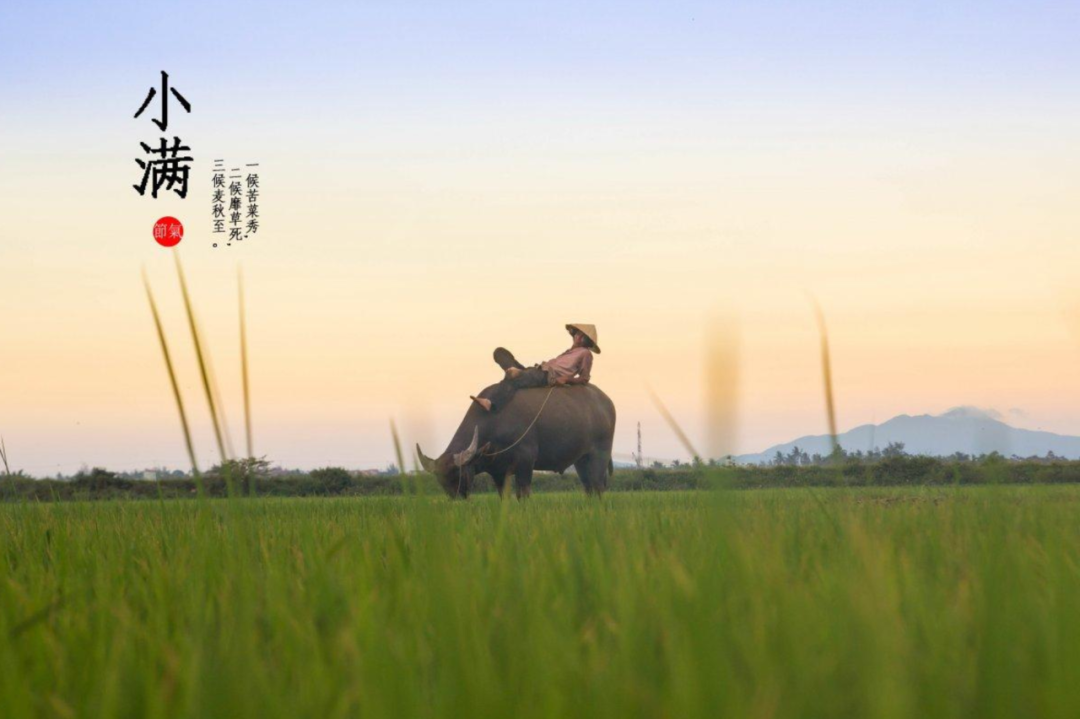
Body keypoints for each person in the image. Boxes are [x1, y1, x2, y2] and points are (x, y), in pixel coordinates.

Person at [470, 324, 600, 412]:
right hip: (536, 370)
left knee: (515, 378)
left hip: (547, 375)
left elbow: (584, 378)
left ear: (586, 341)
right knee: (500, 352)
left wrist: (566, 379)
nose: (578, 337)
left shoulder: (585, 353)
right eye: (578, 334)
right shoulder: (570, 351)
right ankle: (517, 372)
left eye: (583, 337)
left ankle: (492, 404)